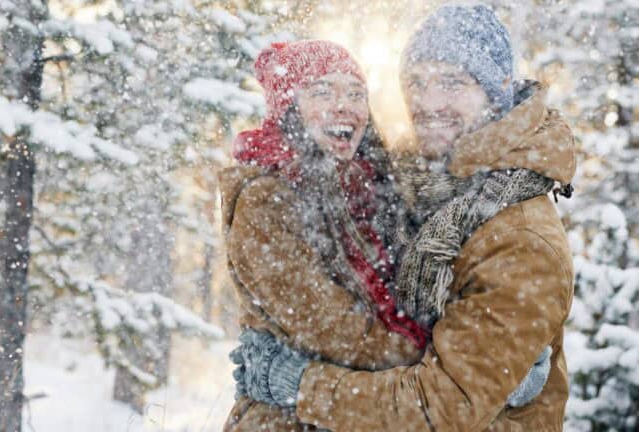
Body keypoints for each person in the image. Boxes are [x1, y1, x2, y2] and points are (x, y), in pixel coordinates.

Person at [231, 4, 577, 431]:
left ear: (499, 87)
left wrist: (298, 384)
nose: (430, 103)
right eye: (417, 82)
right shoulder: (407, 183)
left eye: (453, 82)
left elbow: (438, 407)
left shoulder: (519, 237)